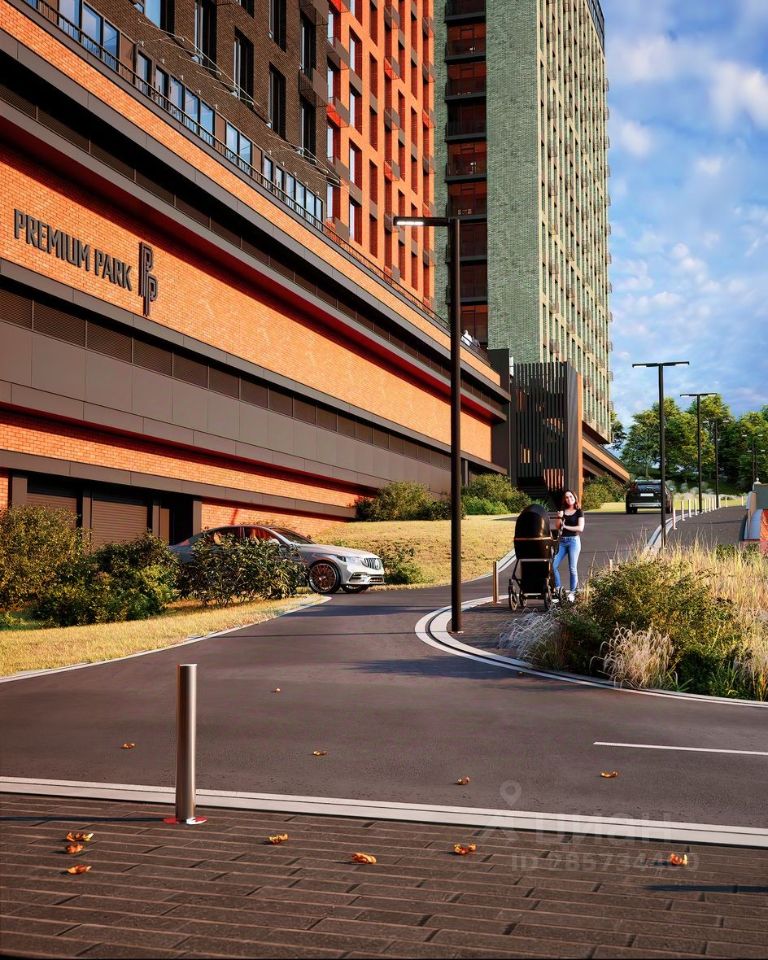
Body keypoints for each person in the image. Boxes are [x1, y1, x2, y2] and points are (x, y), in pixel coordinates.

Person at [553, 490, 584, 602]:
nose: (569, 499)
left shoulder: (579, 512)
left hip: (573, 541)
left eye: (570, 496)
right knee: (553, 565)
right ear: (564, 500)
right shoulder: (562, 511)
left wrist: (565, 526)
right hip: (562, 541)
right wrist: (559, 517)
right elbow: (557, 527)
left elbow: (580, 528)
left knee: (572, 568)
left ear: (574, 498)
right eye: (566, 497)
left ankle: (572, 592)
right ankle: (558, 590)